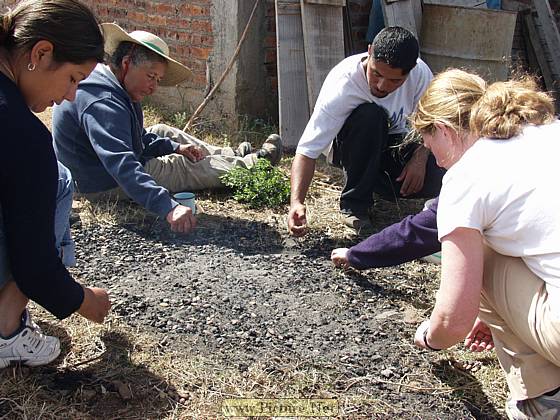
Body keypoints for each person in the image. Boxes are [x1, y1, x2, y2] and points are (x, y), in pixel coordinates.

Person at [410, 69, 560, 418]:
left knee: (482, 255)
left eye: (432, 149)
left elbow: (454, 319)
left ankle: (541, 401)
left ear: (444, 131)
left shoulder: (467, 175)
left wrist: (431, 336)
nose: (436, 162)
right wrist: (500, 314)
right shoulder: (548, 134)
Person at [53, 23, 282, 235]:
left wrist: (175, 147)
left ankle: (232, 154)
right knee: (183, 168)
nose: (153, 88)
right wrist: (168, 206)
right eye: (151, 77)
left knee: (163, 132)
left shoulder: (113, 84)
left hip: (101, 165)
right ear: (126, 63)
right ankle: (254, 164)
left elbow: (136, 138)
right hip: (101, 182)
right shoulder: (102, 101)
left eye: (158, 80)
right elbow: (122, 163)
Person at [0, 0, 111, 368]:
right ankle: (6, 331)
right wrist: (84, 301)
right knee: (59, 179)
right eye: (73, 78)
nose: (69, 96)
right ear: (41, 53)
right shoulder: (22, 132)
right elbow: (35, 268)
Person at [288, 26, 444, 236]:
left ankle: (382, 187)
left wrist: (419, 158)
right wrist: (296, 202)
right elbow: (307, 150)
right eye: (376, 73)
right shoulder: (343, 84)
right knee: (372, 115)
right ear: (369, 52)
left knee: (441, 170)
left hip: (395, 143)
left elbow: (431, 121)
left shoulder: (421, 74)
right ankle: (355, 205)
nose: (382, 85)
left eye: (395, 80)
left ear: (411, 70)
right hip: (354, 143)